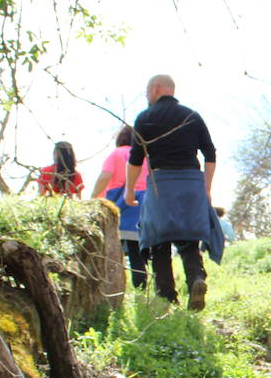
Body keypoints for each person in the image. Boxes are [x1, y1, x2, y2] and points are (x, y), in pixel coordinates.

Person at [125, 74, 223, 310]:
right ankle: (197, 278)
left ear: (156, 88)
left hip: (162, 184)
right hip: (190, 183)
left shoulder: (144, 118)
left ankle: (167, 297)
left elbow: (135, 159)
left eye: (148, 90)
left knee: (159, 241)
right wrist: (207, 189)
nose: (147, 94)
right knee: (189, 241)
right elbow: (210, 153)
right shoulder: (191, 115)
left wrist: (129, 192)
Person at [92, 126, 150, 289]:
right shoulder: (145, 157)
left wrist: (94, 197)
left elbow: (105, 177)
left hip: (120, 205)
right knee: (137, 250)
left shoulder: (116, 154)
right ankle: (142, 287)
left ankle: (113, 288)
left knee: (113, 250)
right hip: (143, 204)